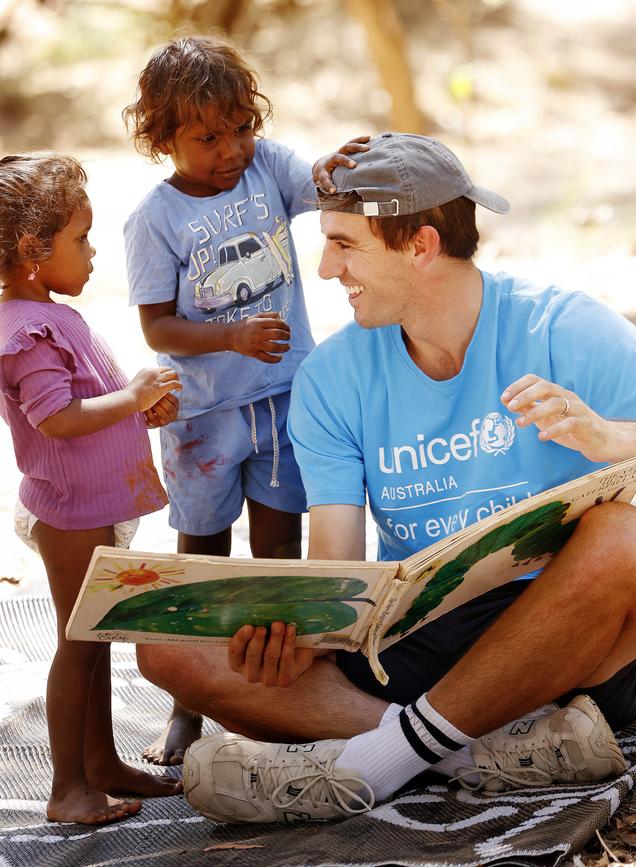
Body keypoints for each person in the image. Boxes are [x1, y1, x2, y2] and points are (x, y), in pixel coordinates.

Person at [137, 133, 636, 823]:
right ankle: (469, 752)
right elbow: (337, 568)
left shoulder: (565, 326)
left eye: (345, 244)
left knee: (626, 539)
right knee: (167, 646)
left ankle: (374, 760)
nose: (323, 268)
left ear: (421, 245)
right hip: (417, 641)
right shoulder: (332, 376)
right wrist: (301, 638)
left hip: (562, 637)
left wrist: (613, 437)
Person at [122, 34, 369, 766]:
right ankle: (189, 705)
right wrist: (229, 336)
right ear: (162, 137)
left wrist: (332, 167)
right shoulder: (154, 220)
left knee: (279, 549)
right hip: (205, 417)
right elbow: (155, 324)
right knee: (203, 550)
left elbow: (316, 185)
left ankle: (285, 693)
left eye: (241, 128)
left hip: (290, 398)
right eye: (207, 138)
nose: (230, 148)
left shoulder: (268, 167)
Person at [0, 153, 184, 825]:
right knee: (78, 642)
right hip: (71, 511)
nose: (93, 249)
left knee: (96, 633)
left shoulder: (46, 315)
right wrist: (131, 396)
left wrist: (138, 404)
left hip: (89, 505)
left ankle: (100, 763)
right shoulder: (26, 331)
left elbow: (86, 400)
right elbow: (55, 416)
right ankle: (67, 788)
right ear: (32, 251)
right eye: (80, 238)